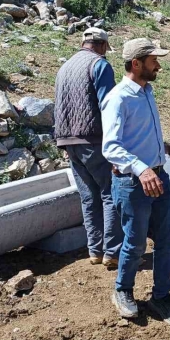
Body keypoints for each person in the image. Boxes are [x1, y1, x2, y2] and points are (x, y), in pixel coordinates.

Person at [102, 37, 170, 326]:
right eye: (153, 61)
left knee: (166, 240)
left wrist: (160, 155)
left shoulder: (147, 92)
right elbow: (110, 146)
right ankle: (123, 291)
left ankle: (161, 296)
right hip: (133, 182)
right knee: (135, 243)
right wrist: (141, 169)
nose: (158, 65)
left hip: (158, 177)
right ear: (136, 64)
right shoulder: (118, 97)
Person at [54, 27, 122, 267]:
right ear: (102, 46)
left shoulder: (65, 67)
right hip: (93, 139)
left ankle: (94, 250)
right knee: (110, 193)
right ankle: (112, 252)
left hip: (68, 141)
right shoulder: (100, 65)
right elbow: (108, 105)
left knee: (88, 197)